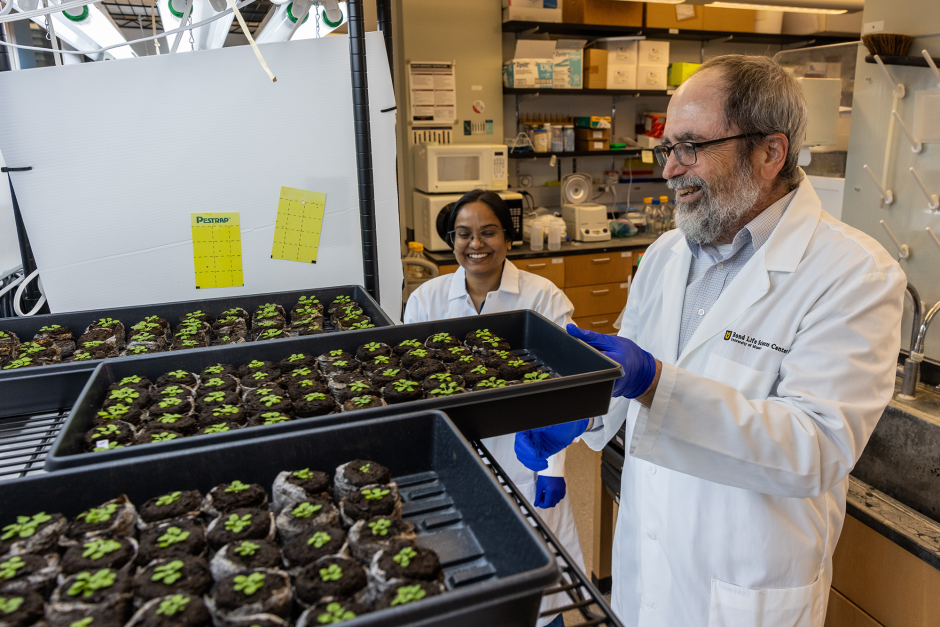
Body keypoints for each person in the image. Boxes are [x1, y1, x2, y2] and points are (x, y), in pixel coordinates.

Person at [515, 55, 905, 626]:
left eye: (690, 146)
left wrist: (655, 383)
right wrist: (582, 402)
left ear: (770, 152)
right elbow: (629, 378)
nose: (669, 170)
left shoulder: (853, 273)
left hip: (745, 588)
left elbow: (817, 448)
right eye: (666, 148)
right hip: (647, 565)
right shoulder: (666, 254)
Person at [404, 189, 584, 627]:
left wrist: (553, 467)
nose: (476, 244)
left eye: (488, 232)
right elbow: (410, 391)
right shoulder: (426, 300)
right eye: (463, 234)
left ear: (508, 237)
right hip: (452, 457)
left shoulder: (543, 298)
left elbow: (565, 394)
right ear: (451, 239)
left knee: (539, 590)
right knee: (465, 576)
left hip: (526, 457)